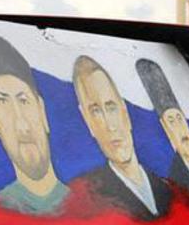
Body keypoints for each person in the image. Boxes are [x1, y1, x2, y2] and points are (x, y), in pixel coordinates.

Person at [0, 33, 69, 216]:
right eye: (3, 102)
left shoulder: (88, 203)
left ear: (41, 110)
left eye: (24, 100)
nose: (21, 124)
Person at [72, 55, 171, 221]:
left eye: (111, 108)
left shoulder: (171, 190)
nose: (110, 126)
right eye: (96, 111)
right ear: (88, 122)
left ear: (125, 113)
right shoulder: (86, 199)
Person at [135, 58, 189, 212]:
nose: (180, 128)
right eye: (171, 121)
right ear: (165, 129)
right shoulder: (170, 175)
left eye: (180, 119)